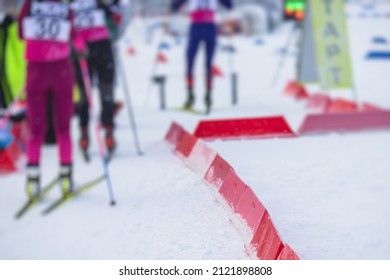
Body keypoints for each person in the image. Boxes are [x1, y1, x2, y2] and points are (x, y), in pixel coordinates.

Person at [18, 0, 84, 198]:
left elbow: (21, 33)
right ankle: (66, 179)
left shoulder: (29, 4)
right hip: (61, 70)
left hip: (36, 70)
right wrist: (81, 49)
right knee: (63, 128)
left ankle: (32, 182)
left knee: (36, 129)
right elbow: (75, 37)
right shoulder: (65, 7)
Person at [70, 0, 118, 159]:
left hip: (91, 47)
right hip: (90, 48)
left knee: (101, 90)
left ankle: (104, 131)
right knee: (93, 91)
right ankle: (90, 132)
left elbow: (113, 15)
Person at [170, 0, 233, 114]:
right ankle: (190, 96)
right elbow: (175, 5)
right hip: (197, 27)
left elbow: (229, 5)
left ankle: (208, 97)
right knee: (190, 61)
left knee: (208, 64)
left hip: (209, 28)